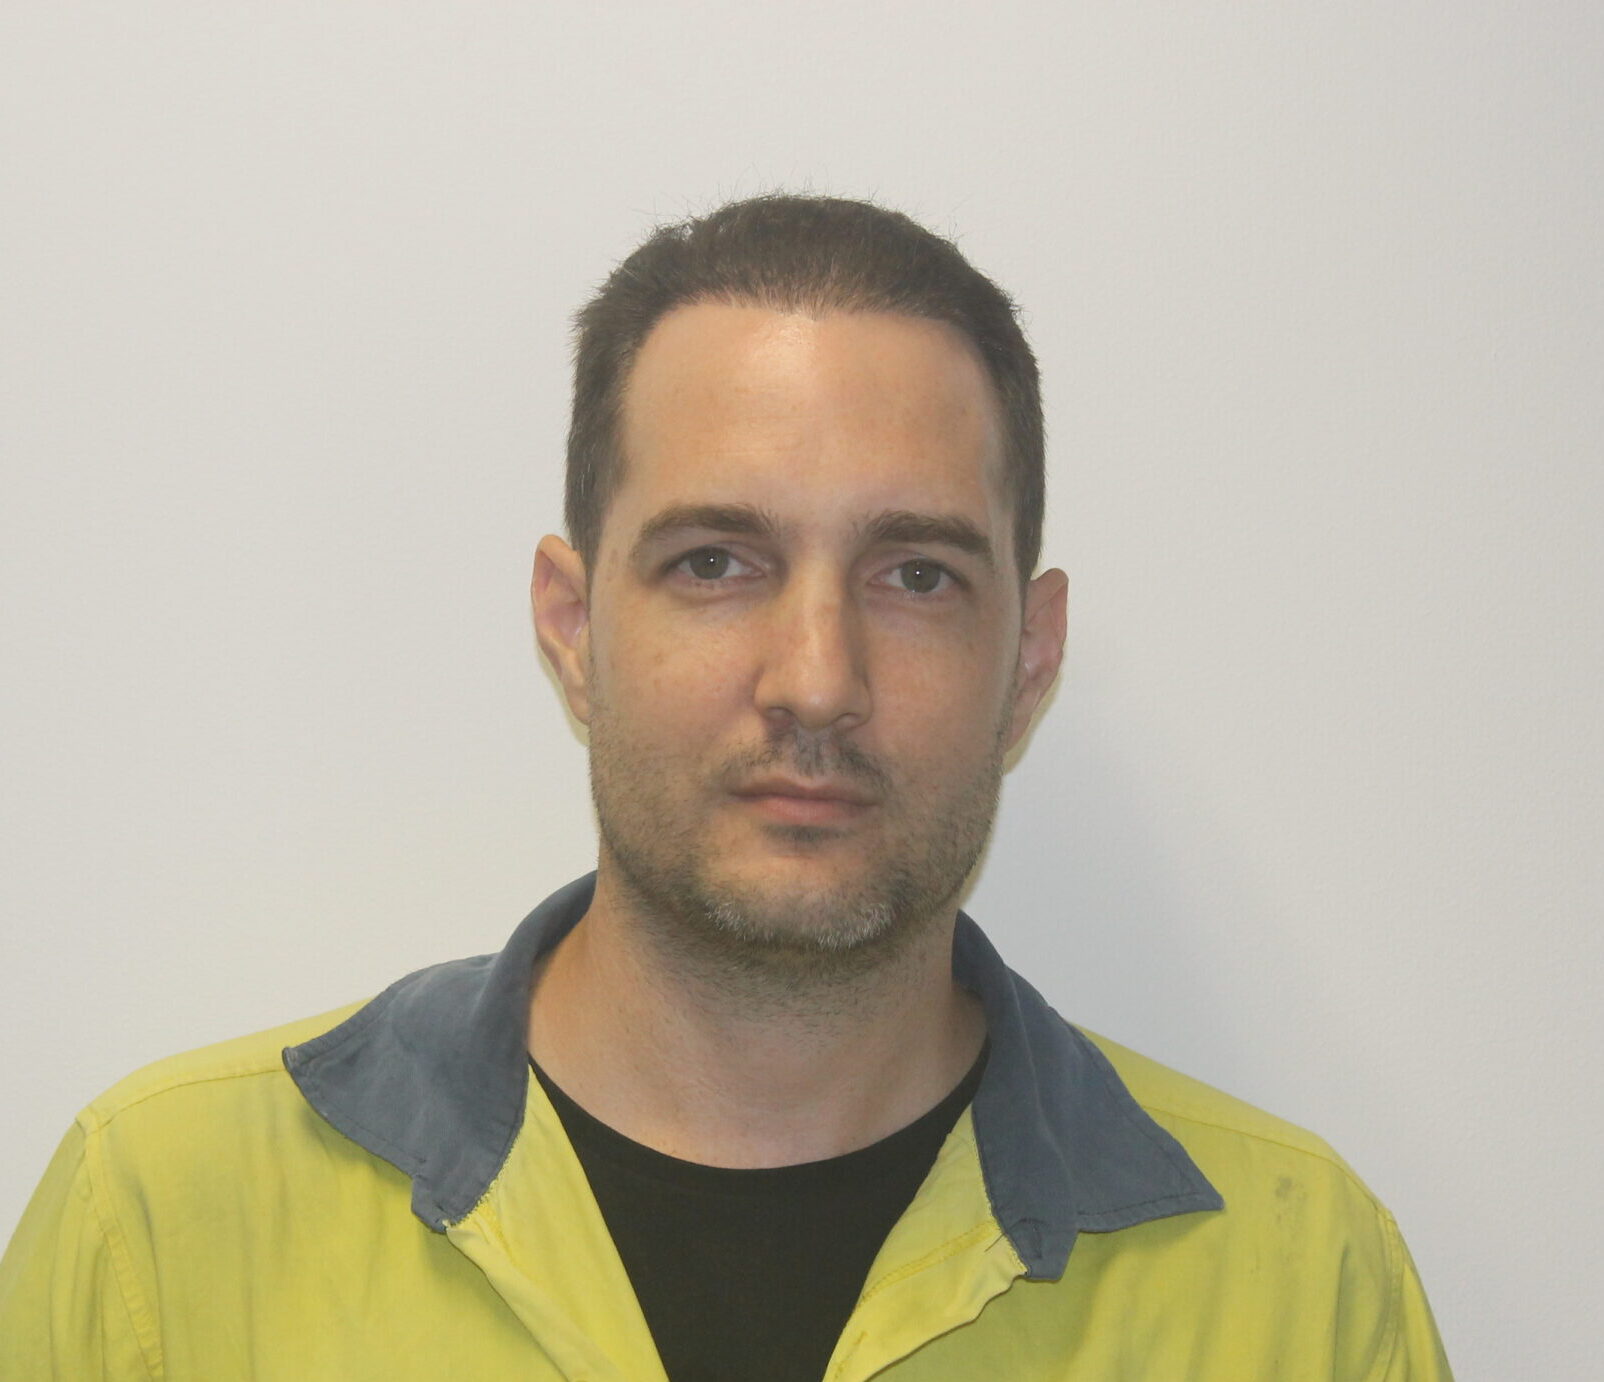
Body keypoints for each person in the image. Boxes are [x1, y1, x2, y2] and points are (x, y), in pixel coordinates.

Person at [0, 195, 1452, 1380]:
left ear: (1030, 657)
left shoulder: (1298, 1290)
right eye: (715, 562)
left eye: (916, 575)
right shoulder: (163, 1240)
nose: (816, 678)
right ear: (574, 627)